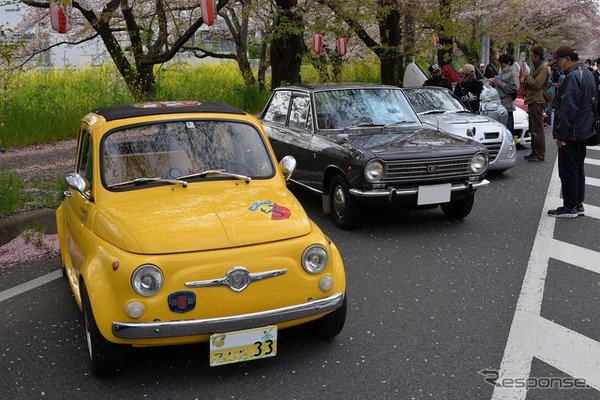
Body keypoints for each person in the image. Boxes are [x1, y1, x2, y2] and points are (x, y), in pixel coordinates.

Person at [547, 45, 597, 217]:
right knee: (578, 168)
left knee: (568, 169)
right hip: (584, 129)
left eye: (559, 63)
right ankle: (578, 204)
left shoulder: (572, 76)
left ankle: (569, 206)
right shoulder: (587, 73)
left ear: (567, 59)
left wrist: (561, 135)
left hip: (573, 131)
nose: (558, 66)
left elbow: (568, 108)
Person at [522, 45, 550, 163]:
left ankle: (540, 154)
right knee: (533, 128)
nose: (530, 57)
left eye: (532, 55)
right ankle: (534, 152)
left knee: (537, 129)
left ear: (537, 56)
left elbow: (537, 84)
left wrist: (527, 77)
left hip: (537, 100)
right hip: (533, 99)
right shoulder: (537, 66)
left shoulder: (543, 68)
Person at [489, 54, 519, 138]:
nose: (501, 65)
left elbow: (514, 89)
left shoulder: (513, 74)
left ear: (508, 63)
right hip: (499, 104)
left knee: (508, 129)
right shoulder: (501, 72)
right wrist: (494, 83)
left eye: (502, 63)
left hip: (507, 105)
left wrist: (500, 83)